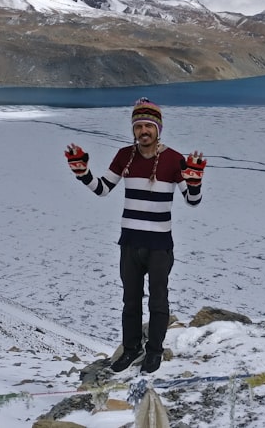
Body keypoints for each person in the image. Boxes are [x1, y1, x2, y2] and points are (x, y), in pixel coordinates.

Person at [64, 97, 206, 374]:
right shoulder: (124, 156)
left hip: (159, 245)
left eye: (149, 126)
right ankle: (130, 350)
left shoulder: (174, 159)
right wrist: (83, 174)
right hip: (130, 243)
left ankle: (154, 352)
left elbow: (192, 200)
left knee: (158, 300)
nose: (144, 131)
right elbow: (103, 188)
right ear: (133, 129)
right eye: (139, 126)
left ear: (158, 130)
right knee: (130, 300)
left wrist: (195, 182)